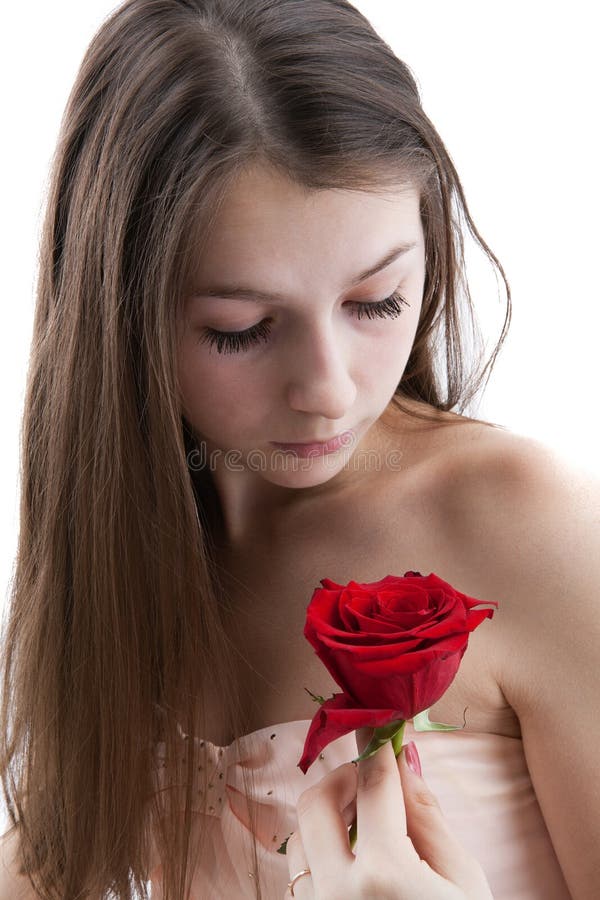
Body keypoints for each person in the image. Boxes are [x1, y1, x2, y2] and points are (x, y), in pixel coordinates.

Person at [0, 0, 598, 898]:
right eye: (241, 329)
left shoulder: (518, 520)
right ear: (114, 320)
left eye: (378, 302)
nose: (328, 389)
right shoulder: (115, 569)